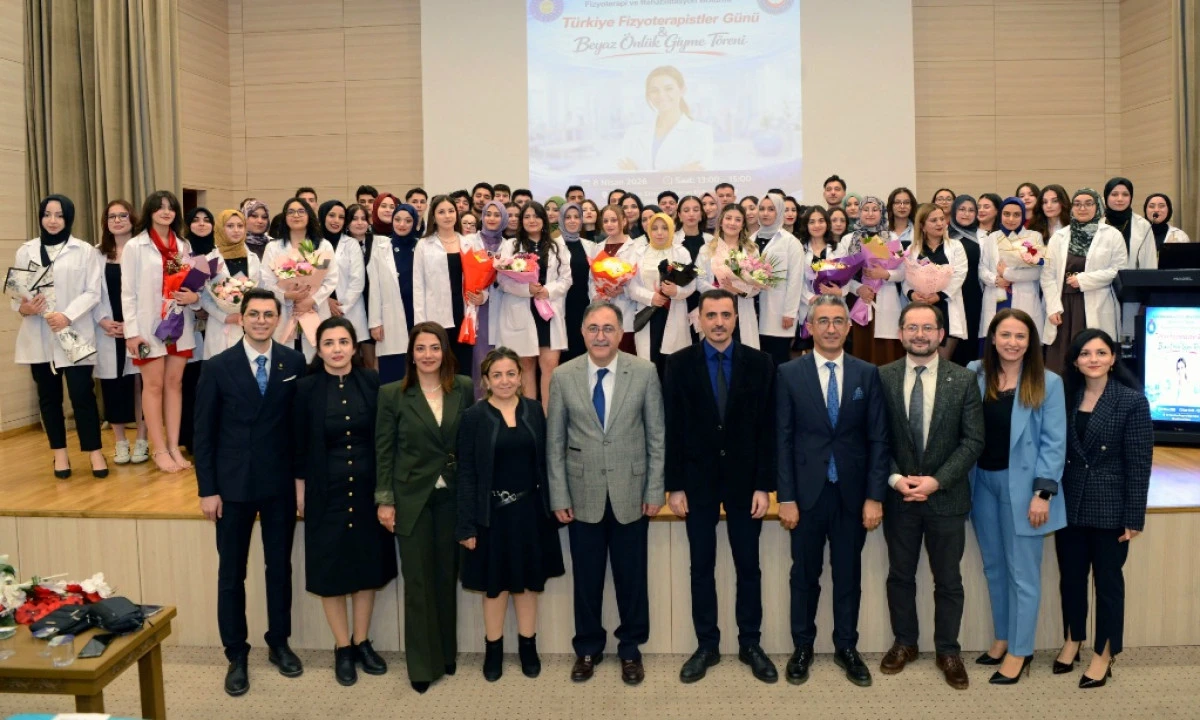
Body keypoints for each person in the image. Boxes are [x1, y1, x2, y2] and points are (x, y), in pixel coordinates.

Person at [194, 287, 308, 697]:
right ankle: (236, 654)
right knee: (231, 574)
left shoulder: (294, 362)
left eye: (268, 314)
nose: (261, 321)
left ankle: (279, 642)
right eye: (254, 314)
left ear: (279, 319)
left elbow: (299, 429)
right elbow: (203, 434)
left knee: (279, 569)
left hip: (279, 484)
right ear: (241, 318)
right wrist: (208, 490)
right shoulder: (217, 366)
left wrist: (300, 482)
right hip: (232, 487)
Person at [547, 300, 665, 686]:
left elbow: (656, 436)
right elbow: (555, 442)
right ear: (582, 332)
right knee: (587, 580)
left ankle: (630, 649)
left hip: (632, 492)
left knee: (632, 579)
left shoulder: (644, 372)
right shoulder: (563, 376)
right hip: (582, 494)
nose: (601, 336)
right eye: (593, 328)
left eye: (608, 328)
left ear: (620, 333)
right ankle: (587, 648)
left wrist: (655, 489)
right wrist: (559, 495)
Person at [776, 294, 889, 687]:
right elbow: (782, 440)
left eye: (838, 321)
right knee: (804, 576)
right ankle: (802, 647)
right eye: (822, 321)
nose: (830, 328)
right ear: (810, 327)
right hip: (806, 496)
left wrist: (874, 496)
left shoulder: (866, 374)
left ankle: (846, 647)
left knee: (848, 575)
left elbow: (878, 439)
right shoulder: (789, 373)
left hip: (852, 497)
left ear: (849, 326)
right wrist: (786, 497)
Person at [664, 289, 776, 685]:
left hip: (746, 484)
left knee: (749, 566)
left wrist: (764, 485)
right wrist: (675, 486)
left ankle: (750, 643)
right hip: (697, 483)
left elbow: (768, 429)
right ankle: (707, 645)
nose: (718, 322)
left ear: (736, 319)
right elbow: (672, 428)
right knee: (701, 566)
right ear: (699, 320)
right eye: (710, 315)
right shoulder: (678, 364)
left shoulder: (761, 364)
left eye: (726, 315)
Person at [877, 302, 985, 690]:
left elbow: (973, 440)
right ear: (900, 333)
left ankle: (948, 651)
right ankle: (905, 643)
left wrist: (937, 481)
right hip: (899, 497)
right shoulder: (883, 377)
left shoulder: (964, 379)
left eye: (927, 328)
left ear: (941, 334)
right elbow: (876, 438)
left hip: (947, 498)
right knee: (900, 576)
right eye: (912, 327)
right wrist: (894, 479)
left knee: (949, 580)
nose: (919, 335)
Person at [292, 317, 396, 685]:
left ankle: (362, 640)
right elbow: (298, 445)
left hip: (369, 489)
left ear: (354, 346)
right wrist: (300, 492)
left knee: (366, 567)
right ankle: (342, 647)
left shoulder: (372, 382)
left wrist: (387, 491)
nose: (337, 349)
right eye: (329, 343)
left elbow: (385, 438)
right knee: (331, 571)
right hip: (325, 491)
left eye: (343, 342)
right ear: (318, 350)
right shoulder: (305, 389)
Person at [968, 309, 1067, 684]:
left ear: (1031, 342)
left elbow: (1054, 444)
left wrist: (1043, 493)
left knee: (1022, 574)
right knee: (994, 567)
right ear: (993, 338)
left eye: (1020, 336)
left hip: (1025, 490)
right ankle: (1003, 638)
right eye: (1005, 335)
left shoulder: (1048, 382)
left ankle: (1021, 651)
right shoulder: (975, 373)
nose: (1012, 342)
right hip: (982, 483)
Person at [456, 347, 566, 681]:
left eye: (511, 374)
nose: (504, 381)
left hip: (530, 513)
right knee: (496, 587)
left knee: (528, 584)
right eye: (497, 375)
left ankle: (528, 647)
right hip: (490, 517)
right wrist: (466, 525)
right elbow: (466, 473)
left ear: (520, 377)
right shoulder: (473, 417)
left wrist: (553, 505)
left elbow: (546, 462)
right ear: (486, 381)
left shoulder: (533, 410)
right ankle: (493, 650)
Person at [375, 322, 473, 693]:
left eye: (434, 348)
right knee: (418, 583)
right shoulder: (392, 394)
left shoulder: (463, 387)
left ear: (445, 352)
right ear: (411, 355)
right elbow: (384, 450)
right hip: (410, 498)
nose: (428, 355)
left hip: (452, 498)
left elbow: (470, 443)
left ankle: (446, 654)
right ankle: (421, 665)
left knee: (446, 578)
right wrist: (385, 500)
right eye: (421, 348)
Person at [1054, 329, 1152, 689]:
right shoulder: (1066, 397)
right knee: (1071, 577)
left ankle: (1104, 653)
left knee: (1108, 583)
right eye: (1085, 353)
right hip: (1069, 502)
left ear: (1113, 358)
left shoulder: (1132, 401)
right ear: (1075, 361)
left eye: (1100, 352)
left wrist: (1134, 516)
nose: (1092, 359)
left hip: (1111, 506)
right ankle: (1073, 638)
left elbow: (1139, 464)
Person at [15, 194, 105, 478]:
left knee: (82, 394)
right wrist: (25, 308)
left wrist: (67, 315)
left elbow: (93, 292)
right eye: (47, 214)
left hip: (74, 333)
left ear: (68, 218)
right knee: (49, 397)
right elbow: (17, 294)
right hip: (39, 336)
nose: (52, 221)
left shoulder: (84, 250)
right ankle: (59, 455)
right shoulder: (26, 251)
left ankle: (95, 452)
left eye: (59, 215)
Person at [121, 190, 201, 473]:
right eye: (160, 207)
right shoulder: (135, 246)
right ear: (150, 211)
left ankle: (174, 446)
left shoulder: (183, 245)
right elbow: (128, 293)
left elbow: (188, 283)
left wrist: (192, 296)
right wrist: (132, 332)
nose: (166, 212)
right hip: (147, 327)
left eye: (170, 207)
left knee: (174, 385)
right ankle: (158, 449)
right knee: (153, 386)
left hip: (178, 324)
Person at [496, 202, 573, 409]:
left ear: (543, 220)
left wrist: (547, 290)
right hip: (522, 310)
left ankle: (549, 417)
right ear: (521, 221)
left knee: (550, 366)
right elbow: (502, 280)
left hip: (548, 312)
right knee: (526, 365)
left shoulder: (557, 245)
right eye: (527, 216)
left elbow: (566, 279)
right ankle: (531, 418)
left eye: (536, 216)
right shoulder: (511, 245)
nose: (532, 220)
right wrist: (527, 290)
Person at [1042, 189, 1127, 373]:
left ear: (1098, 207)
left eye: (1088, 203)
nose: (1082, 208)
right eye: (1077, 204)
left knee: (1092, 355)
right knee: (1061, 361)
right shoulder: (1059, 237)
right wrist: (1053, 307)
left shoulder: (1112, 235)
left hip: (1097, 301)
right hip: (1063, 306)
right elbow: (1048, 275)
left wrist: (1084, 280)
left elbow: (1118, 270)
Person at [95, 199, 148, 465]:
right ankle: (120, 442)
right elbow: (90, 291)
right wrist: (103, 320)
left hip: (137, 326)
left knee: (141, 383)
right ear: (106, 222)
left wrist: (132, 324)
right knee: (112, 385)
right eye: (112, 216)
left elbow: (149, 291)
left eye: (122, 215)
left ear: (132, 219)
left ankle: (142, 440)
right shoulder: (96, 253)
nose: (117, 220)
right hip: (108, 329)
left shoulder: (143, 250)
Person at [260, 198, 339, 361]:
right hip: (285, 310)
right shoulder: (273, 247)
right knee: (286, 359)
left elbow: (330, 279)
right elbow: (266, 281)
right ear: (285, 217)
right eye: (291, 212)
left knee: (314, 358)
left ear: (309, 215)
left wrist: (311, 300)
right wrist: (286, 295)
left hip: (314, 310)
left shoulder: (323, 246)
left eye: (301, 211)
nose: (296, 215)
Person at [628, 212, 695, 379]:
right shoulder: (639, 253)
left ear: (671, 230)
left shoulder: (680, 253)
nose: (659, 232)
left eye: (665, 228)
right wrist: (651, 297)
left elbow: (691, 283)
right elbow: (631, 285)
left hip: (673, 311)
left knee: (673, 366)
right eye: (655, 228)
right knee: (650, 366)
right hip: (649, 313)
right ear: (648, 230)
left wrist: (676, 291)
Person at [413, 195, 475, 375]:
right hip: (436, 316)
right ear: (433, 216)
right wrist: (421, 324)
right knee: (439, 369)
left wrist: (482, 296)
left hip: (464, 315)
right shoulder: (424, 245)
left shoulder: (469, 243)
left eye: (451, 211)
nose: (447, 216)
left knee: (463, 369)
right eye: (441, 212)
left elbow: (479, 279)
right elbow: (418, 286)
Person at [902, 204, 969, 361]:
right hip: (921, 308)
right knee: (921, 360)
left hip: (946, 307)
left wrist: (939, 295)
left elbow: (959, 275)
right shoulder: (913, 249)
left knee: (943, 363)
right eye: (933, 220)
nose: (940, 223)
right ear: (922, 226)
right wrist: (912, 294)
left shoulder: (956, 246)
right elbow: (906, 278)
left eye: (942, 219)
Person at [618, 65, 714, 172]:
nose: (661, 95)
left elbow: (696, 177)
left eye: (669, 89)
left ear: (682, 90)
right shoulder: (633, 133)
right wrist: (679, 172)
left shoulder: (701, 132)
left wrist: (638, 173)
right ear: (648, 95)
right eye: (654, 90)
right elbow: (623, 174)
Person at [846, 196, 905, 365]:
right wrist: (858, 288)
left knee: (885, 352)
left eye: (875, 209)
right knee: (861, 349)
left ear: (882, 212)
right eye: (865, 209)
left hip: (885, 297)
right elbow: (842, 271)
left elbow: (903, 271)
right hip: (860, 299)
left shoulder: (893, 238)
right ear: (859, 212)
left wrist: (885, 274)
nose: (870, 213)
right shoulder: (848, 239)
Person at [696, 204, 761, 349]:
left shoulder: (751, 250)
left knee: (743, 353)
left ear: (743, 224)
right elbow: (699, 279)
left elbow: (758, 285)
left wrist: (738, 290)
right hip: (714, 306)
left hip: (742, 308)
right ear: (721, 221)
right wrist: (720, 293)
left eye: (738, 220)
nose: (732, 223)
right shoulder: (706, 249)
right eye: (728, 218)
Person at [367, 203, 419, 383]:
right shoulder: (381, 249)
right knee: (393, 372)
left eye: (408, 220)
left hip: (416, 313)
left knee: (419, 365)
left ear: (415, 223)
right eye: (397, 219)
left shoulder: (421, 247)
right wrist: (375, 322)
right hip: (390, 317)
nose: (402, 224)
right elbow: (374, 288)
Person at [980, 197, 1045, 340]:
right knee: (995, 338)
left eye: (1016, 215)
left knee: (1022, 336)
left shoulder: (1033, 237)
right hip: (997, 295)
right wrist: (995, 280)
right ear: (1000, 215)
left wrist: (1007, 274)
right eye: (1006, 214)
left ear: (1023, 216)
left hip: (1024, 296)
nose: (1011, 219)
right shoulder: (992, 237)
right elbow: (982, 267)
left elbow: (1037, 272)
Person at [201, 209, 263, 359]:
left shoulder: (253, 258)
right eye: (230, 226)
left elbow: (261, 290)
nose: (236, 230)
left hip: (250, 324)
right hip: (221, 325)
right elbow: (204, 298)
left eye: (240, 226)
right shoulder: (209, 260)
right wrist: (225, 317)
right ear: (220, 229)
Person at [753, 192, 806, 368]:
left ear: (780, 212)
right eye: (762, 209)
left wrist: (790, 313)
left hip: (779, 314)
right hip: (753, 312)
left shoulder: (791, 242)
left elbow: (795, 280)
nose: (765, 213)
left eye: (771, 209)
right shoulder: (750, 240)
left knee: (778, 362)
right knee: (758, 364)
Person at [1101, 177, 1157, 339]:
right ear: (1106, 197)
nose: (1120, 199)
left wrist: (1148, 295)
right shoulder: (1098, 224)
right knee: (1104, 336)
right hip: (1103, 288)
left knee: (1130, 337)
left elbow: (1150, 262)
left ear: (1131, 197)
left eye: (1125, 194)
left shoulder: (1143, 225)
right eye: (1114, 194)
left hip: (1133, 291)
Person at [464, 200, 509, 395]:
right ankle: (480, 404)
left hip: (501, 308)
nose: (492, 218)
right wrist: (477, 292)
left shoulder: (509, 245)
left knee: (500, 361)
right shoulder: (468, 241)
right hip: (475, 309)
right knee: (479, 361)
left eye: (497, 215)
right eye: (488, 214)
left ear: (504, 219)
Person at [557, 203, 599, 364]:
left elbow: (594, 277)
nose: (572, 221)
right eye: (568, 217)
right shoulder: (553, 245)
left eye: (576, 217)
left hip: (584, 306)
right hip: (561, 306)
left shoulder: (590, 246)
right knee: (563, 355)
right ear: (561, 220)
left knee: (583, 351)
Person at [947, 195, 984, 366]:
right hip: (949, 294)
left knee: (971, 337)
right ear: (954, 211)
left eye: (971, 210)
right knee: (951, 337)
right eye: (961, 209)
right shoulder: (944, 235)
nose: (966, 214)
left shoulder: (982, 236)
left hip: (973, 295)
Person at [343, 204, 376, 369]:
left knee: (371, 358)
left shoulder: (377, 242)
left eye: (363, 218)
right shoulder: (340, 244)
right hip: (350, 304)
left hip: (372, 303)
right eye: (355, 219)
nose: (360, 223)